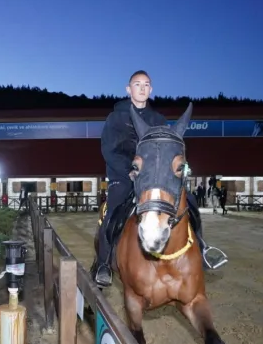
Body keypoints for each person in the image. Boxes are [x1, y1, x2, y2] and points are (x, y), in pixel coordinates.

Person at [95, 70, 228, 286]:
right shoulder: (115, 118)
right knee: (114, 209)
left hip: (152, 177)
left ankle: (203, 248)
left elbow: (167, 150)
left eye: (146, 84)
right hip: (123, 176)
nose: (142, 88)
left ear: (151, 89)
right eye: (137, 84)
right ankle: (103, 263)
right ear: (129, 89)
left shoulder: (158, 120)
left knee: (190, 201)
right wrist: (129, 172)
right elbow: (108, 150)